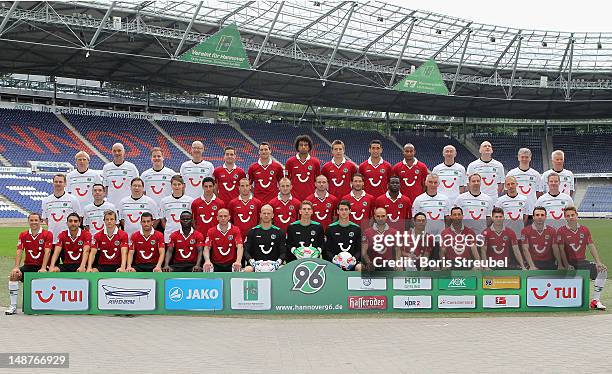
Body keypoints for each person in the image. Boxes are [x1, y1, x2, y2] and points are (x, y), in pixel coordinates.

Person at [556, 206, 607, 310]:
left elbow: (591, 246)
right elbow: (561, 250)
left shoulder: (584, 229)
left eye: (572, 215)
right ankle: (566, 300)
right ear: (565, 217)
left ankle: (595, 300)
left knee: (602, 271)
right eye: (568, 216)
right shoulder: (561, 231)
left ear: (577, 215)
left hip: (581, 262)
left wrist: (598, 262)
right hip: (569, 262)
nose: (571, 217)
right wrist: (566, 264)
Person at [5, 213, 54, 315]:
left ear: (40, 221)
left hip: (42, 266)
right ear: (28, 221)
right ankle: (13, 306)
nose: (34, 222)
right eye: (31, 220)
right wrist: (16, 267)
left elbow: (47, 251)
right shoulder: (23, 235)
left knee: (42, 278)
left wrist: (44, 267)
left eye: (36, 220)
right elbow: (19, 251)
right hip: (28, 265)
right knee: (14, 276)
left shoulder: (47, 234)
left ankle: (40, 306)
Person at [243, 205, 287, 272]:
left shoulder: (279, 232)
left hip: (274, 264)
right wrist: (252, 262)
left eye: (268, 213)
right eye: (264, 213)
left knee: (284, 269)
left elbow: (283, 252)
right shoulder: (252, 232)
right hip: (256, 264)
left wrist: (278, 262)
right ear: (260, 215)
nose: (266, 215)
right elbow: (246, 251)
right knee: (247, 270)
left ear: (272, 215)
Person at [42, 174, 82, 243]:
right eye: (56, 182)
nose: (58, 184)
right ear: (53, 183)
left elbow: (79, 218)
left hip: (68, 239)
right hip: (52, 238)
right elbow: (46, 219)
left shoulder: (73, 199)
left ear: (65, 184)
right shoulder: (46, 200)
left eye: (60, 182)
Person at [520, 206, 562, 270]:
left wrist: (560, 264)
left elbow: (555, 248)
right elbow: (525, 249)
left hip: (549, 262)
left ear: (545, 217)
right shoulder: (525, 230)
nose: (540, 217)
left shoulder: (552, 230)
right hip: (533, 262)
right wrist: (532, 266)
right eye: (537, 215)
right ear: (533, 217)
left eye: (542, 215)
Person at [324, 201, 362, 271]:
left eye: (346, 209)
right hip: (335, 262)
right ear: (338, 211)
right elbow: (327, 249)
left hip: (351, 262)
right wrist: (333, 259)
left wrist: (354, 259)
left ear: (350, 211)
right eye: (341, 209)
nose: (343, 212)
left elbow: (359, 249)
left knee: (360, 267)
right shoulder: (330, 228)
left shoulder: (356, 228)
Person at [506, 148, 543, 217]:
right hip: (516, 209)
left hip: (532, 210)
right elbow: (507, 191)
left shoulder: (536, 174)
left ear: (530, 158)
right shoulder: (511, 174)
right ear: (518, 158)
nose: (524, 159)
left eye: (526, 157)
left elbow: (539, 193)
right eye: (522, 157)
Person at [101, 142, 139, 208]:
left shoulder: (131, 167)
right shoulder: (106, 168)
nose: (117, 153)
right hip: (111, 205)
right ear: (112, 152)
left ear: (124, 152)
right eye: (114, 151)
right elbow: (105, 187)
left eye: (119, 150)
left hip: (128, 205)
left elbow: (138, 187)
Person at [361, 207, 400, 271]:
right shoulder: (367, 232)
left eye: (383, 216)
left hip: (389, 265)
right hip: (373, 264)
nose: (380, 218)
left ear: (386, 216)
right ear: (375, 217)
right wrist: (368, 262)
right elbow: (364, 251)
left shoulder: (394, 232)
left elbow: (397, 249)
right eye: (378, 216)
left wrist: (397, 262)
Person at [159, 175, 194, 244]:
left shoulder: (190, 200)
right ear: (171, 185)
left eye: (179, 184)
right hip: (169, 235)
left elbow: (192, 218)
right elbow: (162, 219)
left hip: (185, 235)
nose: (177, 187)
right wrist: (168, 228)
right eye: (174, 184)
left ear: (183, 185)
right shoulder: (164, 201)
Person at [285, 134, 321, 201]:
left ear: (309, 147)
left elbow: (318, 180)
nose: (303, 147)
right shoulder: (290, 162)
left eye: (306, 145)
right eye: (301, 145)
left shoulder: (315, 162)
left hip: (311, 198)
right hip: (294, 198)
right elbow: (287, 180)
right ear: (297, 147)